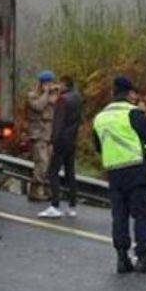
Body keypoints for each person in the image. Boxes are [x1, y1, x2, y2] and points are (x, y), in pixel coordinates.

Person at [92, 76, 146, 275]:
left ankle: (122, 259)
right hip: (136, 170)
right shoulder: (134, 113)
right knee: (141, 215)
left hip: (114, 171)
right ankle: (143, 258)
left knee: (119, 216)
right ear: (130, 93)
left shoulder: (100, 117)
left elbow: (98, 146)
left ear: (113, 93)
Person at [39, 75, 83, 219]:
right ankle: (72, 206)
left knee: (53, 171)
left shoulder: (62, 100)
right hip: (72, 139)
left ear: (64, 84)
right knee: (70, 172)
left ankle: (55, 205)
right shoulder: (77, 97)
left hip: (61, 140)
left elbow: (58, 122)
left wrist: (52, 142)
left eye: (60, 84)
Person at [26, 71, 58, 203]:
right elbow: (38, 106)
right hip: (38, 133)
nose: (49, 86)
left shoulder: (52, 96)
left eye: (50, 83)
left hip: (49, 133)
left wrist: (55, 92)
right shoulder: (32, 95)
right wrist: (45, 93)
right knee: (42, 162)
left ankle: (45, 188)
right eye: (46, 83)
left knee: (49, 163)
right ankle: (35, 190)